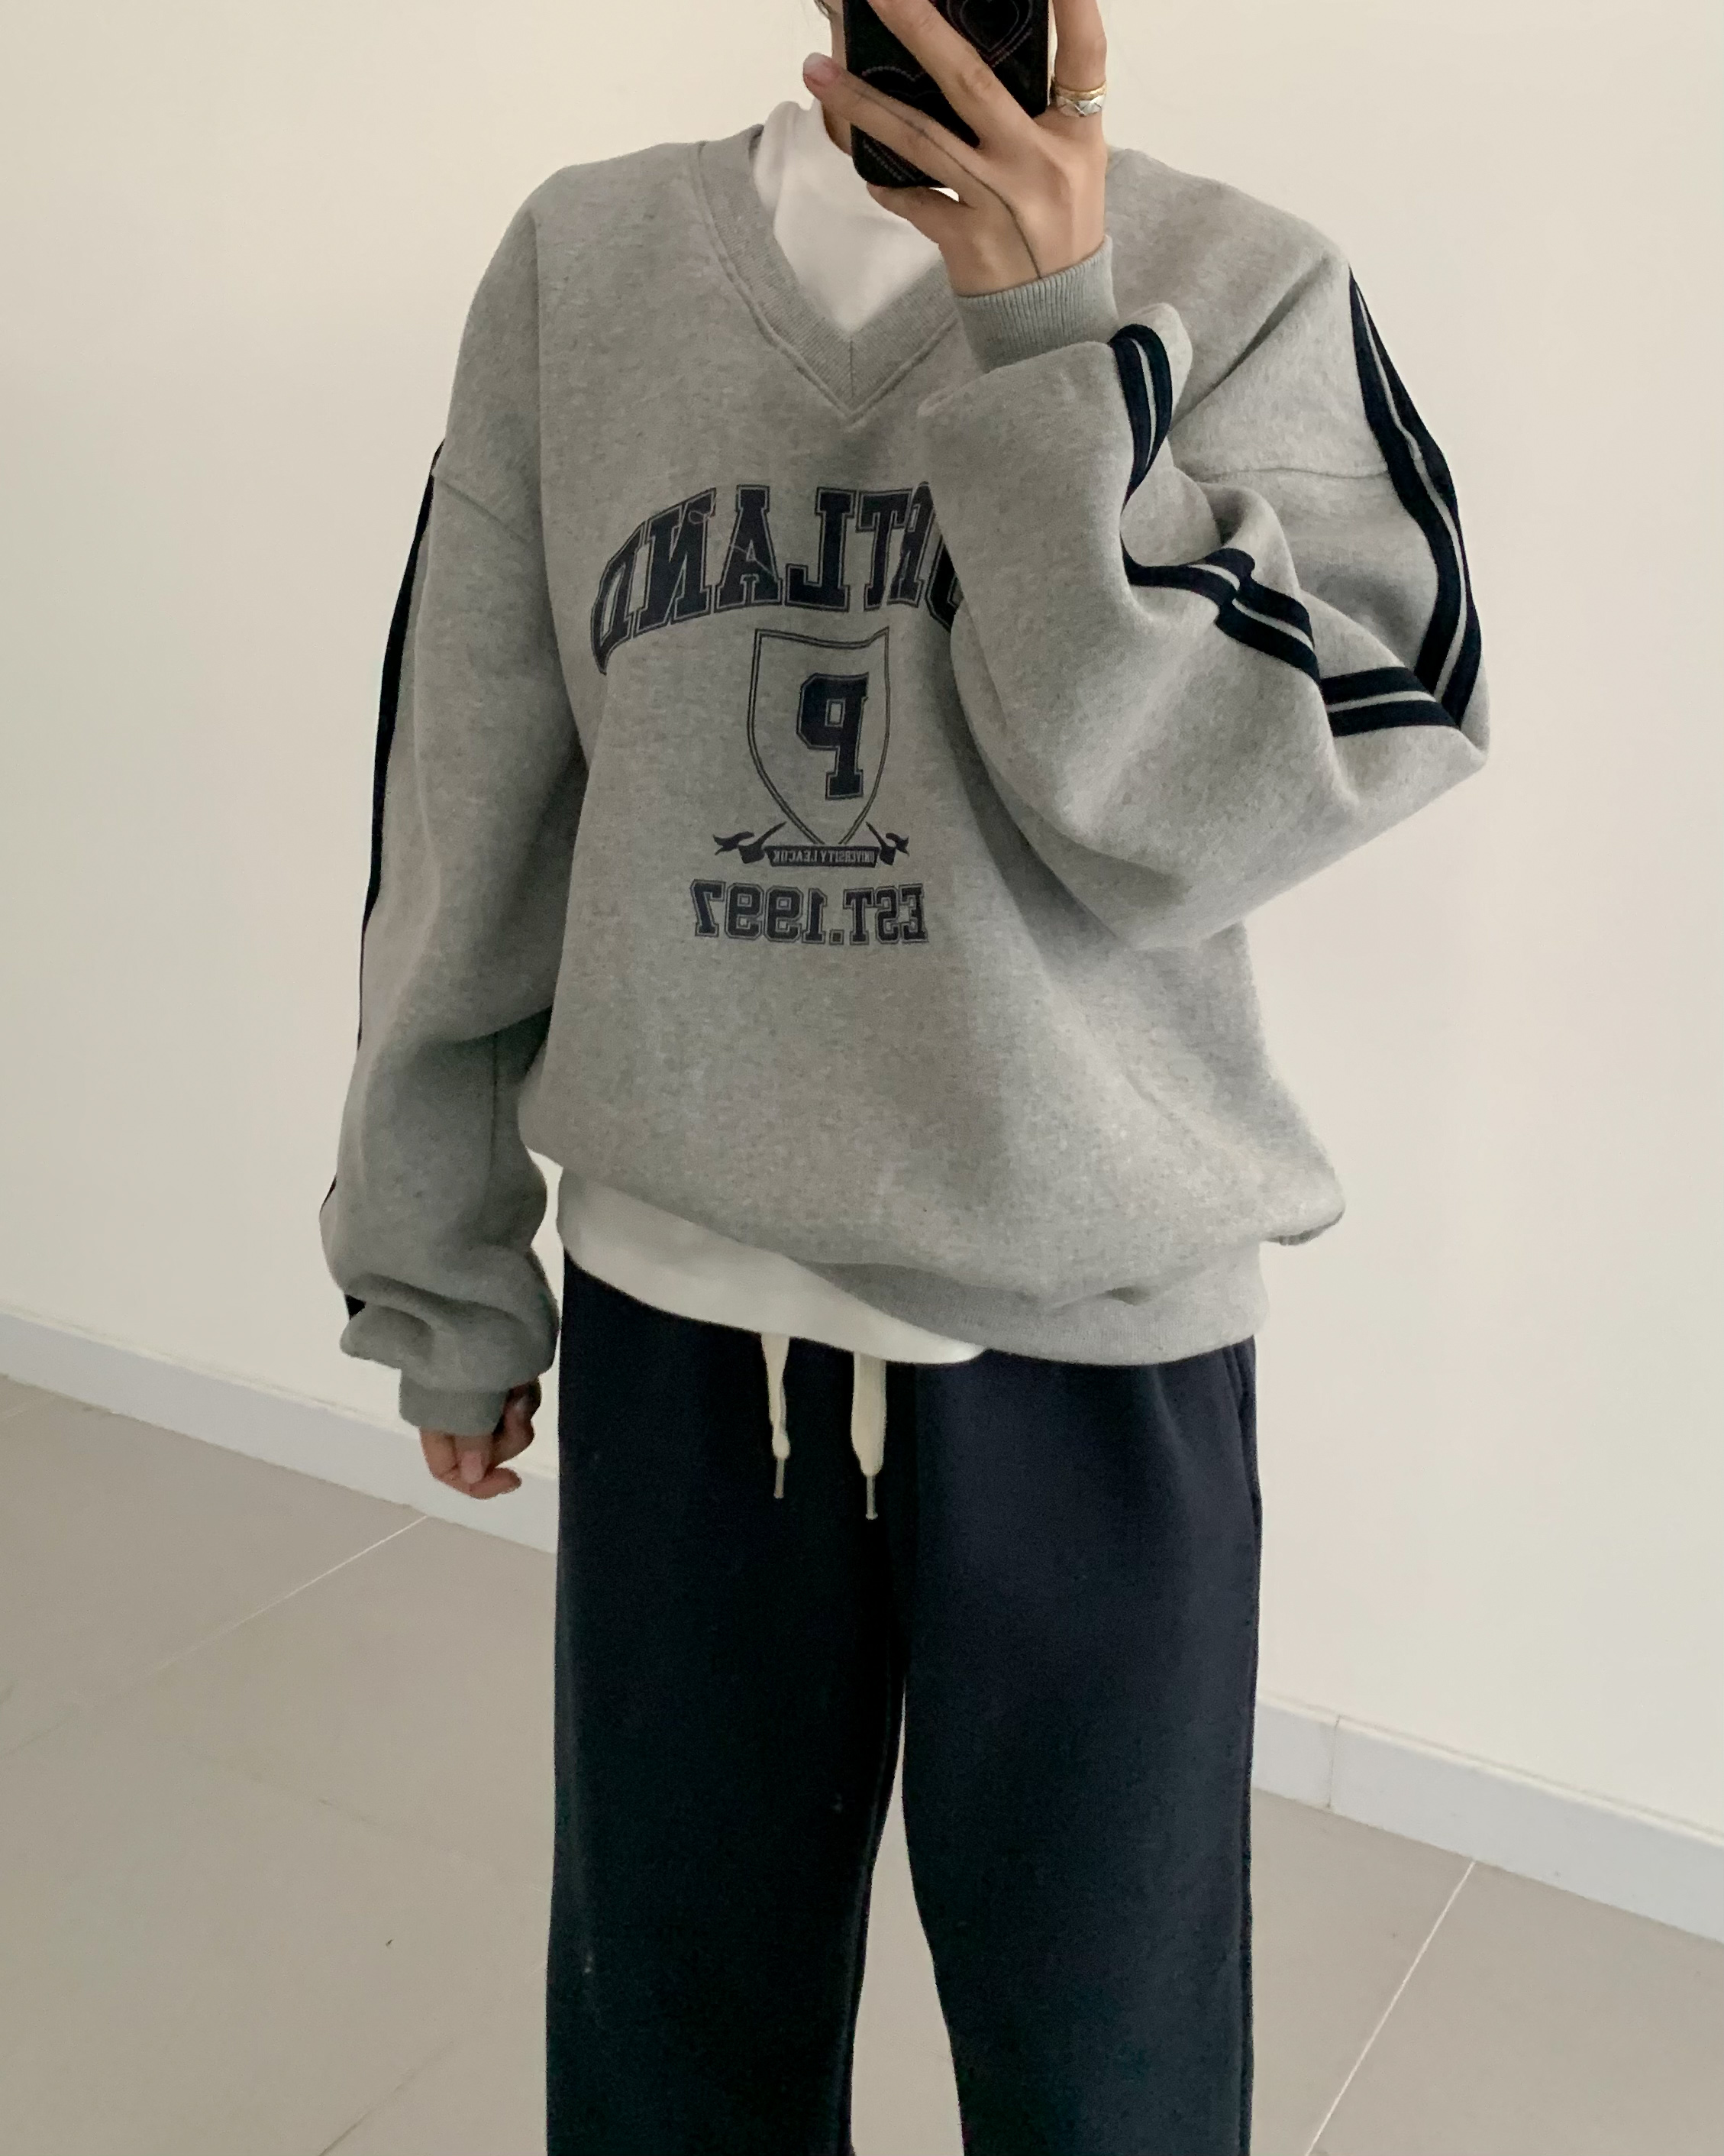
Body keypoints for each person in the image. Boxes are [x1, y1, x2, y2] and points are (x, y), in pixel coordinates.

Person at [319, 0, 1488, 2148]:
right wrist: (436, 1256)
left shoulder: (1243, 286)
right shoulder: (586, 265)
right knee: (675, 2049)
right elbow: (469, 799)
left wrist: (1053, 343)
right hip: (688, 1323)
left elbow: (1222, 813)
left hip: (1091, 1350)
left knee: (1104, 2076)